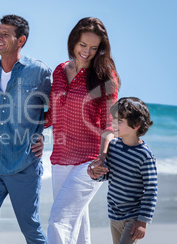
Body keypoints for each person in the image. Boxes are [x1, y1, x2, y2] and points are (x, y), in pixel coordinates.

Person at [44, 17, 120, 243]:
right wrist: (29, 130)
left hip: (89, 162)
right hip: (60, 158)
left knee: (60, 220)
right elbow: (52, 114)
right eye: (83, 45)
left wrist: (102, 159)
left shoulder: (104, 76)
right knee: (76, 225)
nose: (86, 52)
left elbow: (110, 123)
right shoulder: (59, 71)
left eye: (94, 48)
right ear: (73, 42)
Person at [0, 14, 51, 244]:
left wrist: (43, 136)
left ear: (21, 40)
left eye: (5, 35)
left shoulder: (38, 71)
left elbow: (55, 108)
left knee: (30, 226)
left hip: (24, 163)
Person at [88, 97, 157, 244]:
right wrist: (95, 174)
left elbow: (151, 191)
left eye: (119, 120)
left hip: (133, 217)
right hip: (114, 214)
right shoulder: (113, 146)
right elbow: (107, 173)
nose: (113, 124)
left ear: (136, 124)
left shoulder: (145, 155)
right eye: (113, 119)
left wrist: (143, 221)